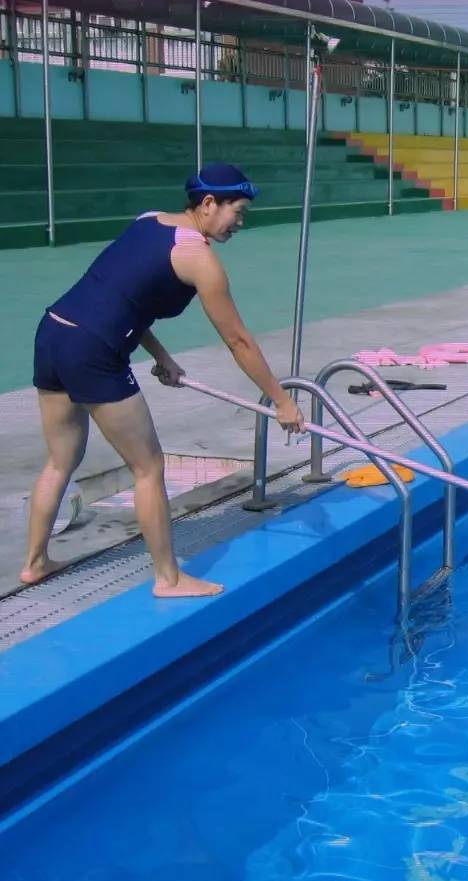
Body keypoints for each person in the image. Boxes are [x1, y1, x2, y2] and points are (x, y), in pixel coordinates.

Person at [21, 164, 304, 597]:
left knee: (61, 461)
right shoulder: (200, 258)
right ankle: (169, 578)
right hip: (94, 351)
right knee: (148, 467)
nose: (241, 223)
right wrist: (280, 400)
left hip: (55, 333)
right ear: (209, 204)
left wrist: (161, 356)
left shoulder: (148, 220)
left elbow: (125, 298)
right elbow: (238, 341)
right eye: (238, 211)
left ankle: (35, 563)